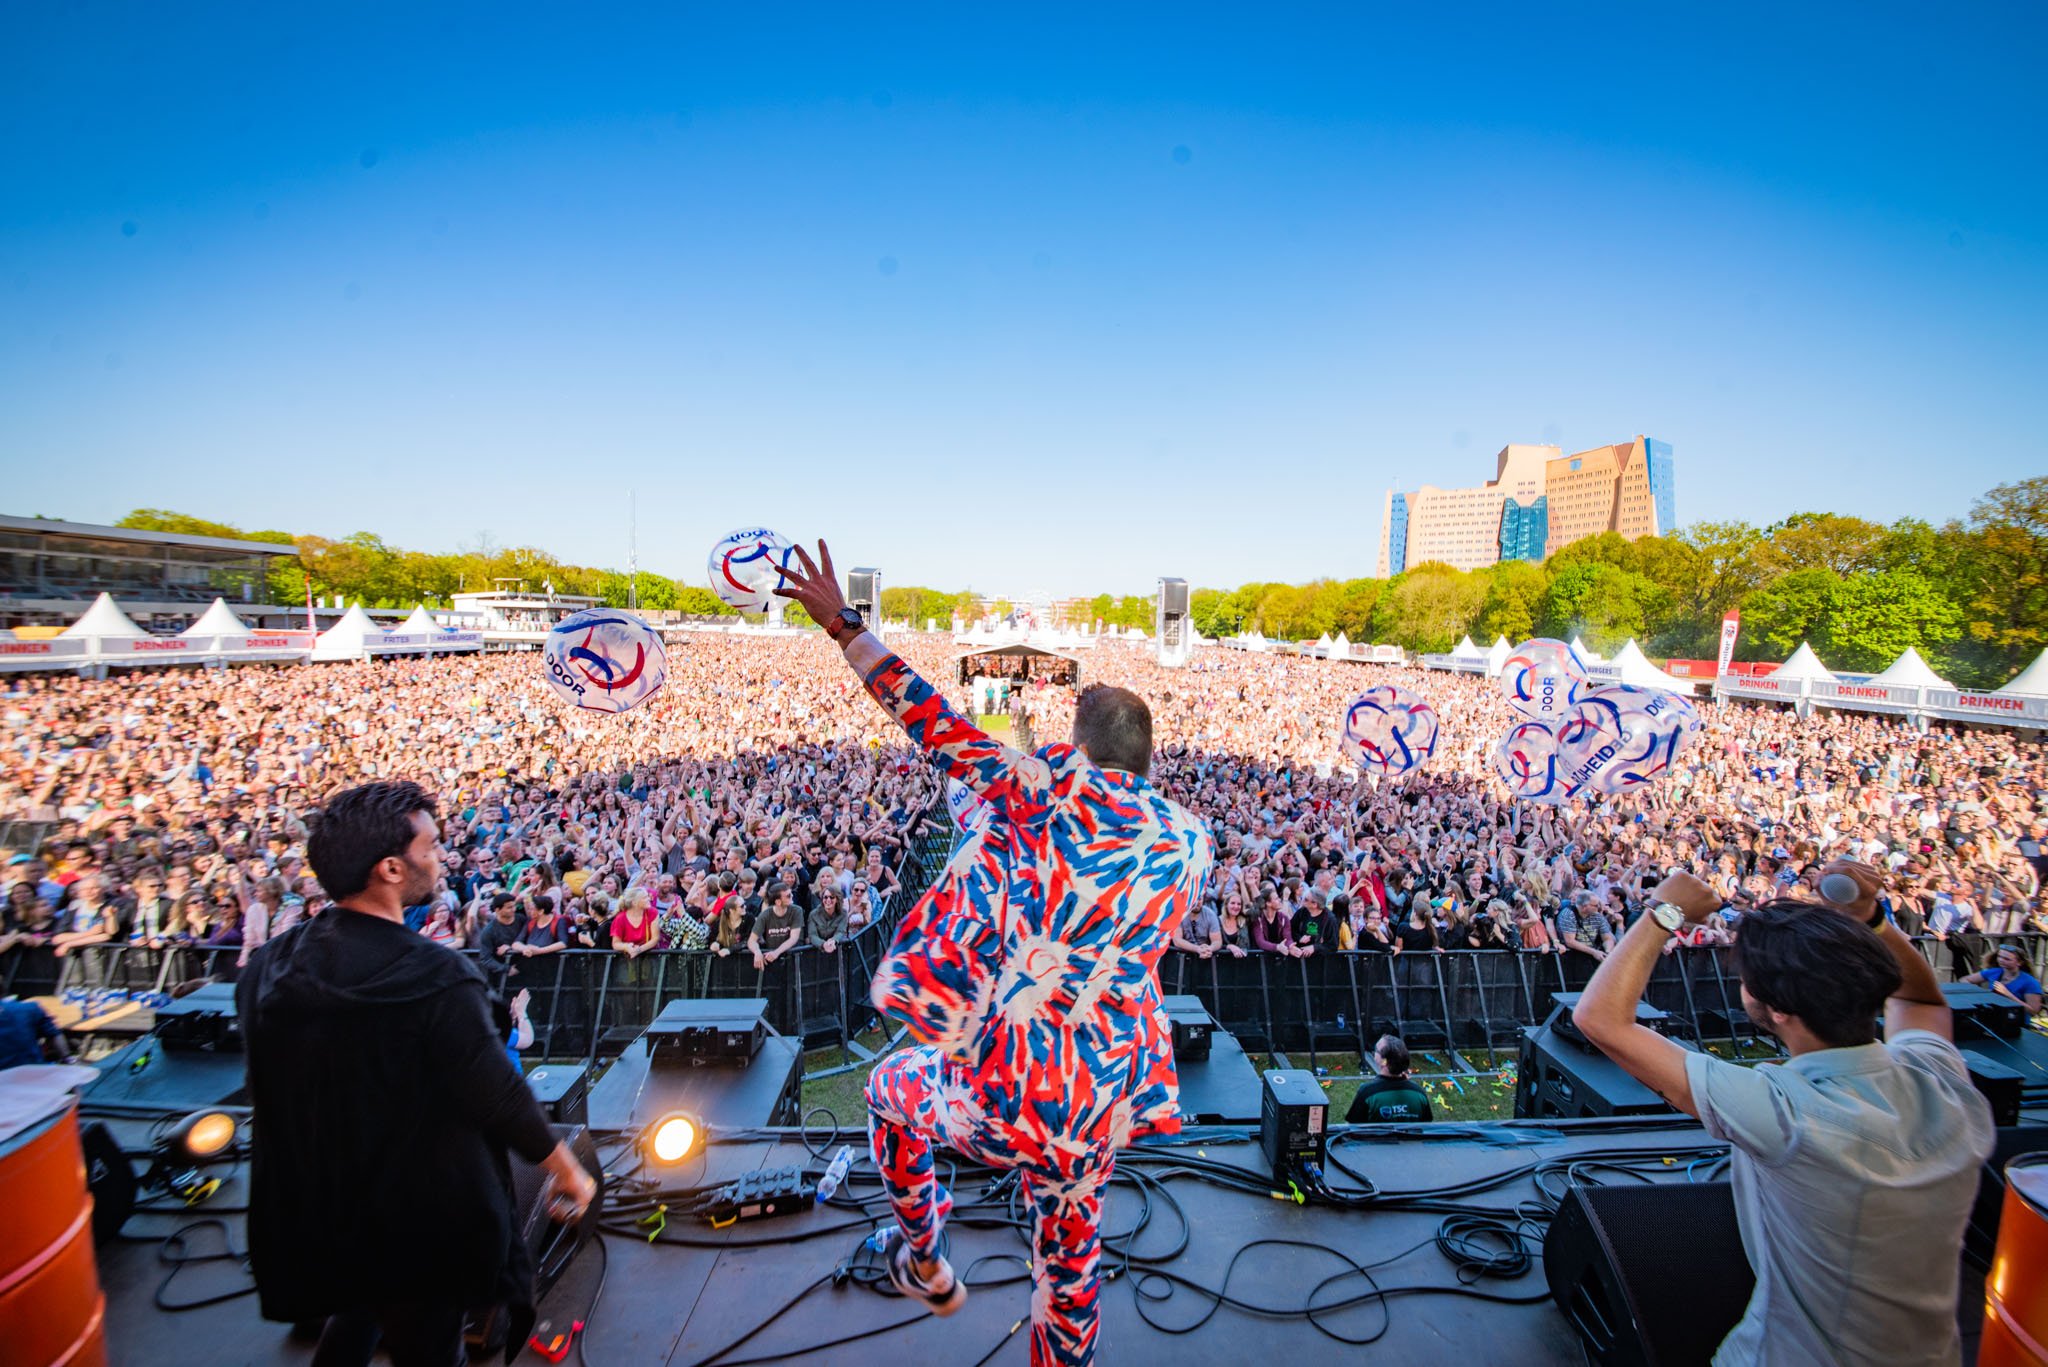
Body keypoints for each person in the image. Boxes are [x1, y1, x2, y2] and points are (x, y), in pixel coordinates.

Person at [776, 541, 1213, 1367]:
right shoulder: (1191, 842)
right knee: (1071, 1274)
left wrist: (843, 625)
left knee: (888, 1090)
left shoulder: (1045, 791)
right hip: (1098, 1108)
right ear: (1147, 760)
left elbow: (929, 718)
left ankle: (929, 1261)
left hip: (1005, 1090)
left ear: (1075, 751)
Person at [1570, 860, 1994, 1367]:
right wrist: (1871, 920)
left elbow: (1600, 1020)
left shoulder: (1785, 1113)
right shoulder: (1943, 1083)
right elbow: (1919, 996)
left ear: (1777, 1010)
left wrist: (1664, 914)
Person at [237, 781, 596, 1367]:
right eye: (430, 845)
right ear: (390, 869)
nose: (441, 854)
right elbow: (496, 1093)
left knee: (357, 1309)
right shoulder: (436, 975)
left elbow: (266, 1091)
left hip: (318, 1212)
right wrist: (567, 1170)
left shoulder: (267, 969)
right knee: (429, 1348)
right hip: (416, 1220)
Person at [1345, 1035, 1432, 1124]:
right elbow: (1427, 1127)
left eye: (1376, 1050)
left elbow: (1352, 1129)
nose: (1374, 1052)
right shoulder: (1419, 1093)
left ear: (1384, 1061)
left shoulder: (1367, 1092)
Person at [1962, 944, 2044, 1012]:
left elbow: (2033, 1011)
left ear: (2019, 962)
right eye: (1999, 957)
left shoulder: (2030, 982)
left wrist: (2008, 994)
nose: (2001, 960)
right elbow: (1965, 980)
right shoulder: (1994, 972)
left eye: (2007, 959)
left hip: (2015, 1022)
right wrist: (1978, 993)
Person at [0, 994, 70, 1069]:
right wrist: (67, 1059)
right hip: (34, 1070)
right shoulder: (30, 1008)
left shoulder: (29, 1008)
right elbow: (55, 1034)